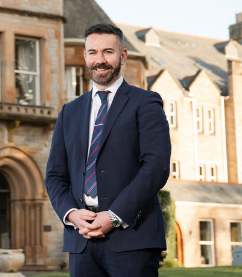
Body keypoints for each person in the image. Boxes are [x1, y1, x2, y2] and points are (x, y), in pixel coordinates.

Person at [45, 23, 171, 277]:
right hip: (81, 240)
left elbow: (156, 167)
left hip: (132, 239)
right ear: (85, 57)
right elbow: (55, 176)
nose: (100, 60)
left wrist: (114, 216)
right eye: (93, 52)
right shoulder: (69, 112)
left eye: (108, 52)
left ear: (122, 56)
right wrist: (71, 214)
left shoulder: (145, 102)